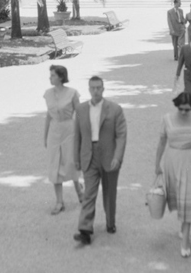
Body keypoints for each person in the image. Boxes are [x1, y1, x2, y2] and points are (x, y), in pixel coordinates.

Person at [154, 92, 191, 258]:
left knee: (187, 197)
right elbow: (162, 142)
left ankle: (185, 240)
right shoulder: (167, 119)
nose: (184, 112)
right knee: (179, 197)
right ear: (176, 106)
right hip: (172, 160)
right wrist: (157, 164)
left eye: (187, 109)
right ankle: (182, 228)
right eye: (181, 109)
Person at [73, 76, 128, 245]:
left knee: (109, 193)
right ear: (89, 89)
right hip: (89, 155)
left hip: (109, 156)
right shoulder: (81, 109)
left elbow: (121, 135)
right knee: (89, 193)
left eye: (98, 87)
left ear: (103, 89)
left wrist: (117, 157)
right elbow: (77, 136)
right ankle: (85, 229)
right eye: (93, 88)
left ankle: (110, 223)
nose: (96, 91)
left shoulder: (115, 109)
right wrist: (76, 158)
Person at [43, 65, 83, 215]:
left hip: (69, 131)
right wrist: (45, 136)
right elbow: (48, 115)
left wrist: (81, 135)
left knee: (71, 162)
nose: (50, 77)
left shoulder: (72, 93)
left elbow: (80, 114)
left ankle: (79, 190)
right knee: (55, 165)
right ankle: (59, 202)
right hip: (54, 132)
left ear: (61, 77)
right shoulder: (48, 94)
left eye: (53, 75)